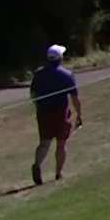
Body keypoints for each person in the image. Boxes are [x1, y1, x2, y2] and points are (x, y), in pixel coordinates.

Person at [29, 44, 81, 185]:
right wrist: (79, 114)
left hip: (43, 113)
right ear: (60, 58)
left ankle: (37, 164)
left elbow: (33, 94)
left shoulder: (38, 74)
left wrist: (38, 106)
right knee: (61, 143)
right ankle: (58, 173)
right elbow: (75, 98)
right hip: (60, 112)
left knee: (44, 143)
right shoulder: (66, 75)